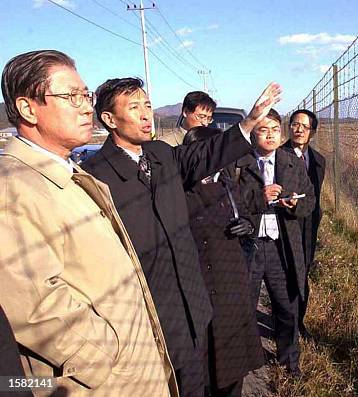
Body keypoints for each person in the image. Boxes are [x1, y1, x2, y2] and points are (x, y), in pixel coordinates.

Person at [81, 77, 280, 396]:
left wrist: (250, 121)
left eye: (147, 105)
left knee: (200, 381)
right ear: (108, 119)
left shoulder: (160, 154)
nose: (146, 114)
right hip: (149, 312)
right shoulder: (95, 176)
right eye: (134, 108)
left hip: (193, 302)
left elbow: (206, 154)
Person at [0, 50, 177, 396]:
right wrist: (104, 355)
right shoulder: (13, 186)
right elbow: (32, 304)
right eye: (72, 96)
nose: (85, 107)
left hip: (130, 371)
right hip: (100, 382)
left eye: (86, 95)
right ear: (27, 108)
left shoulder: (68, 172)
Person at [183, 126, 264, 397]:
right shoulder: (179, 192)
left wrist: (247, 225)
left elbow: (248, 215)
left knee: (232, 367)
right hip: (199, 289)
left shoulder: (228, 186)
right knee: (202, 371)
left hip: (231, 289)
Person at [235, 108, 314, 376]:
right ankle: (245, 362)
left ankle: (289, 363)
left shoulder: (290, 162)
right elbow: (229, 203)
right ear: (252, 133)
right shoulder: (239, 164)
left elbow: (310, 202)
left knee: (287, 306)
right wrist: (259, 196)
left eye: (275, 130)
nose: (270, 135)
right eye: (263, 129)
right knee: (245, 307)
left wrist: (294, 205)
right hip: (249, 246)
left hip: (282, 248)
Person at [281, 109, 326, 339]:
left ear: (313, 132)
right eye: (295, 125)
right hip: (287, 226)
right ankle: (286, 325)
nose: (298, 130)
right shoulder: (279, 156)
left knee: (304, 272)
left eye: (305, 127)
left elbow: (315, 197)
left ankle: (299, 322)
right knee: (287, 274)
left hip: (309, 227)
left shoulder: (319, 161)